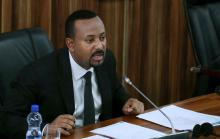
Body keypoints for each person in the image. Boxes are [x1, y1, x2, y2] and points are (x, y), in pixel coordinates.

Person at [4, 9, 144, 138]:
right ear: (71, 44)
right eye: (90, 40)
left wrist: (128, 103)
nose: (100, 46)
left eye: (102, 37)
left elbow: (115, 90)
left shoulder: (106, 60)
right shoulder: (38, 73)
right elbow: (7, 119)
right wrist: (46, 128)